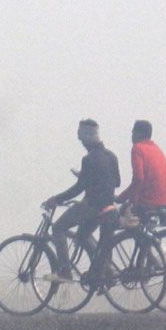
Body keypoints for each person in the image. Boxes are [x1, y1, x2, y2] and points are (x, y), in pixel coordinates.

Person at [42, 119, 120, 283]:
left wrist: (56, 199)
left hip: (91, 205)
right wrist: (91, 178)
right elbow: (117, 182)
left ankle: (64, 271)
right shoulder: (111, 156)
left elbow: (78, 188)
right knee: (82, 235)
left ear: (87, 137)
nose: (80, 141)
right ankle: (104, 268)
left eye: (81, 138)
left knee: (58, 228)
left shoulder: (89, 159)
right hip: (107, 207)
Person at [115, 119, 166, 222]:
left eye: (133, 133)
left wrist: (122, 198)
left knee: (114, 218)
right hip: (164, 200)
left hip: (148, 200)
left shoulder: (138, 148)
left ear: (139, 134)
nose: (131, 137)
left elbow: (138, 179)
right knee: (137, 227)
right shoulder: (156, 149)